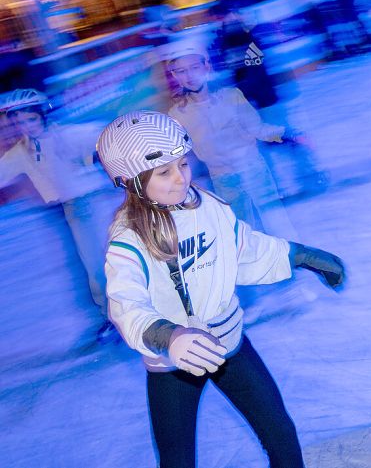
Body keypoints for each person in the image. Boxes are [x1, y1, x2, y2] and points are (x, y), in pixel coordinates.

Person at [97, 110, 345, 467]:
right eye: (164, 172)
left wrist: (303, 256)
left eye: (182, 164)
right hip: (172, 362)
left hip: (230, 344)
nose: (180, 178)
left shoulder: (207, 205)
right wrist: (169, 337)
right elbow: (126, 303)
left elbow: (245, 249)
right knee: (177, 460)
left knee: (280, 434)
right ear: (129, 181)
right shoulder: (129, 239)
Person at [0, 89, 120, 343]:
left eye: (30, 119)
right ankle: (111, 316)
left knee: (104, 260)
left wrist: (109, 165)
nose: (26, 126)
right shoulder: (23, 151)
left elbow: (107, 134)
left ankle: (123, 313)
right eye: (19, 122)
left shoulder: (65, 135)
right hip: (67, 210)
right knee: (91, 267)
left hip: (91, 203)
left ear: (43, 115)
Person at [159, 37, 299, 240]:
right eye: (181, 71)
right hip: (223, 179)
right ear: (174, 76)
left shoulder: (231, 96)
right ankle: (260, 269)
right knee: (243, 231)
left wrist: (284, 133)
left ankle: (290, 260)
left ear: (206, 66)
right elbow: (177, 152)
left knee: (275, 219)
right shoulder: (177, 114)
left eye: (194, 67)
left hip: (253, 169)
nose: (189, 76)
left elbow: (257, 128)